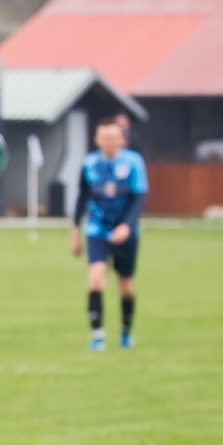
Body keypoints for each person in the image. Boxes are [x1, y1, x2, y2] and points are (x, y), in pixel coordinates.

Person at [70, 118, 148, 351]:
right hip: (97, 229)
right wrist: (74, 231)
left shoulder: (133, 162)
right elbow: (81, 198)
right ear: (97, 139)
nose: (109, 142)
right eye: (104, 138)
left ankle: (125, 331)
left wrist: (126, 226)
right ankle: (98, 335)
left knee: (125, 285)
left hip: (126, 231)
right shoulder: (90, 163)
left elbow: (139, 198)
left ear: (122, 140)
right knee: (95, 279)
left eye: (113, 138)